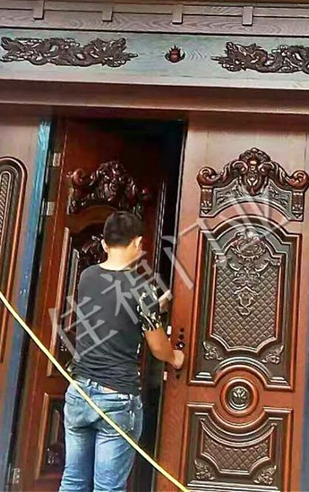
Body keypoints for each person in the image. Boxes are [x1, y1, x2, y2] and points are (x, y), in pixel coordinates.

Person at [59, 211, 185, 492]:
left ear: (104, 244)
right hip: (116, 397)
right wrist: (175, 357)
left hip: (79, 392)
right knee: (108, 488)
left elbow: (111, 312)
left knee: (73, 481)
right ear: (138, 242)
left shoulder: (88, 276)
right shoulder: (142, 288)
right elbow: (157, 347)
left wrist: (152, 307)